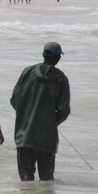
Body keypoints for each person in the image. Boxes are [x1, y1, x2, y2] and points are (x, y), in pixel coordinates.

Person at [10, 42, 71, 181]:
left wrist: (27, 117)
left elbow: (14, 100)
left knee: (26, 179)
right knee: (47, 180)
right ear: (58, 58)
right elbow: (64, 111)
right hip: (47, 139)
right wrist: (50, 123)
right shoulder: (61, 79)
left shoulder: (27, 72)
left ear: (43, 55)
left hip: (24, 136)